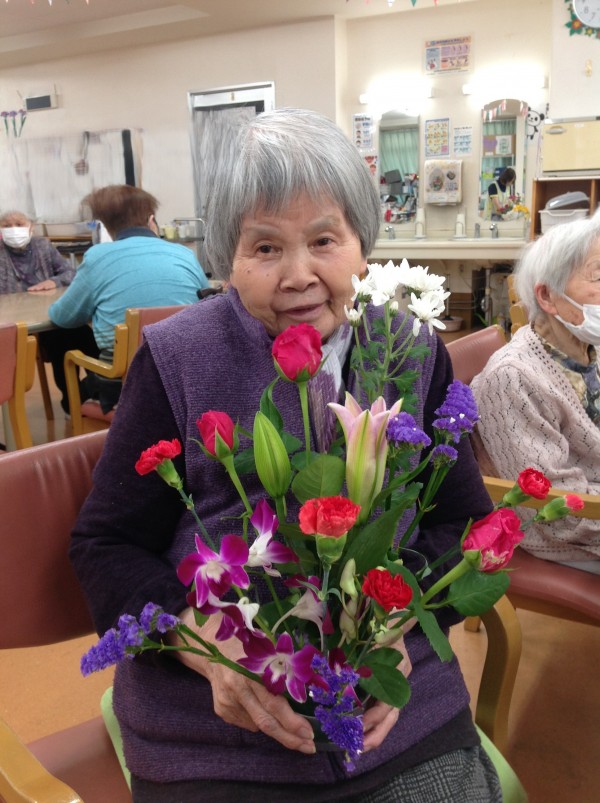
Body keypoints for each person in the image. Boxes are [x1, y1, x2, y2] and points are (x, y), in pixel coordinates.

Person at [70, 109, 500, 802]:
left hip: (392, 703)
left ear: (362, 244)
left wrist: (395, 620)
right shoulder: (178, 357)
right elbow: (105, 544)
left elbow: (461, 524)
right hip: (215, 723)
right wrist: (201, 643)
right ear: (228, 259)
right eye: (265, 247)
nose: (299, 275)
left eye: (324, 240)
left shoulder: (410, 349)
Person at [471, 210, 600, 574]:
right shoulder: (514, 377)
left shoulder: (588, 348)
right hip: (567, 533)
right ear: (547, 296)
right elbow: (555, 512)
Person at [48, 185, 209, 413]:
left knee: (63, 337)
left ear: (106, 226)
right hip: (185, 380)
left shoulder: (97, 257)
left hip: (125, 388)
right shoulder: (184, 254)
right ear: (151, 220)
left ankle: (73, 409)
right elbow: (206, 305)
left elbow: (62, 317)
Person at [0, 210, 99, 415]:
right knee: (58, 339)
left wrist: (53, 281)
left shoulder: (42, 246)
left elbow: (70, 272)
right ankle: (73, 397)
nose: (13, 230)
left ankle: (98, 390)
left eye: (19, 224)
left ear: (31, 227)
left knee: (79, 331)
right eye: (7, 226)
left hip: (47, 313)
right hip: (13, 321)